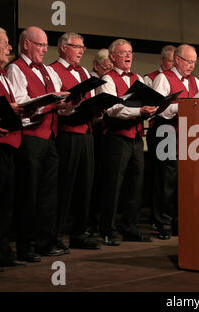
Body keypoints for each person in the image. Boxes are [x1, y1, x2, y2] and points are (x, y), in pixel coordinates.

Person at [7, 26, 68, 260]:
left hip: (50, 137)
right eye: (40, 44)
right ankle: (25, 246)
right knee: (28, 195)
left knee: (48, 195)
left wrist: (68, 103)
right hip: (30, 139)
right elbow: (21, 105)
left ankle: (45, 241)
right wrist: (52, 104)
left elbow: (56, 100)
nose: (44, 49)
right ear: (26, 45)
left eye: (45, 45)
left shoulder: (48, 71)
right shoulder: (16, 69)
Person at [97, 39, 157, 246]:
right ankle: (107, 230)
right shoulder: (107, 79)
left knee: (135, 185)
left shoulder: (138, 78)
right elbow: (112, 109)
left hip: (136, 139)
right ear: (112, 57)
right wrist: (139, 111)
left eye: (130, 52)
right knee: (113, 186)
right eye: (123, 53)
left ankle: (130, 228)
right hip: (116, 138)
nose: (128, 56)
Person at [50, 32, 100, 252]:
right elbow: (55, 105)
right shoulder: (53, 70)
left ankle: (79, 234)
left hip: (86, 134)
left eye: (83, 47)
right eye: (76, 46)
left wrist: (98, 109)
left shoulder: (83, 72)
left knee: (85, 187)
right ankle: (54, 235)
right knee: (64, 187)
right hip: (67, 133)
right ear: (62, 47)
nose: (81, 51)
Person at [149, 44, 199, 239]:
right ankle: (163, 224)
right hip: (166, 133)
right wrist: (183, 107)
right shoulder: (164, 78)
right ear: (177, 60)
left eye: (194, 62)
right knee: (167, 180)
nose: (192, 66)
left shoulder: (195, 81)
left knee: (184, 180)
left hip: (187, 135)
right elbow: (159, 109)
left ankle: (180, 223)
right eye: (188, 61)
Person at [0, 26, 23, 272]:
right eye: (5, 43)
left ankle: (1, 250)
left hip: (7, 145)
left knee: (5, 204)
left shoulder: (3, 74)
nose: (10, 47)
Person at [86, 48, 113, 238]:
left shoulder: (110, 80)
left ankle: (99, 221)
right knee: (91, 179)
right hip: (91, 132)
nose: (109, 71)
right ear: (96, 66)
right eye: (106, 67)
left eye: (112, 67)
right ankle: (89, 222)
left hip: (105, 132)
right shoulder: (90, 79)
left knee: (103, 178)